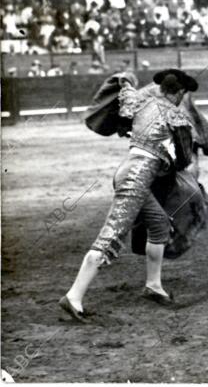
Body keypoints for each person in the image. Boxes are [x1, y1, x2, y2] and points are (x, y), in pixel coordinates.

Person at [59, 69, 199, 322]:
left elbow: (125, 106)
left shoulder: (141, 102)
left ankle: (153, 285)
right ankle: (73, 296)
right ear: (179, 93)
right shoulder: (176, 116)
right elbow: (184, 159)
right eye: (182, 94)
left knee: (158, 225)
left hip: (127, 171)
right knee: (111, 235)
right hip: (136, 178)